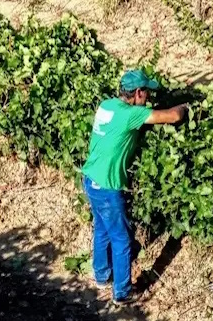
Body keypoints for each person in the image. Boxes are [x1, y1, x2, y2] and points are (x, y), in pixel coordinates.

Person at [80, 70, 188, 305]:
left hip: (90, 179)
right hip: (108, 187)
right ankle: (122, 293)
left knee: (102, 228)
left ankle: (101, 275)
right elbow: (172, 116)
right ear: (138, 93)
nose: (148, 96)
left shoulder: (106, 105)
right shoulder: (130, 115)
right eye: (146, 92)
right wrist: (185, 106)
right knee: (121, 240)